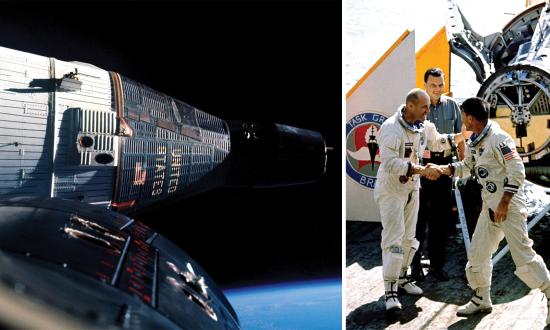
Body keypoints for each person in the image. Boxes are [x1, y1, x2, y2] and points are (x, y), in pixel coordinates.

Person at [432, 97, 550, 323]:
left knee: (524, 257)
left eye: (462, 116)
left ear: (469, 117)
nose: (461, 120)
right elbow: (467, 167)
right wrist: (443, 170)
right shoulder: (475, 140)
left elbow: (517, 171)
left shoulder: (499, 139)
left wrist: (504, 202)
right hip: (490, 207)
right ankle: (481, 298)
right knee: (477, 253)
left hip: (509, 207)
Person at [374, 88, 463, 311]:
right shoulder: (391, 129)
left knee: (410, 238)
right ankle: (390, 291)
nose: (428, 110)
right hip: (392, 191)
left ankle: (402, 278)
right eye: (424, 107)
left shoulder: (423, 126)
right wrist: (422, 170)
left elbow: (437, 142)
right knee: (393, 239)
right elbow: (390, 164)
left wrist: (462, 136)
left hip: (412, 190)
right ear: (411, 106)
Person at [411, 67, 464, 282]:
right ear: (425, 85)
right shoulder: (416, 107)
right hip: (421, 167)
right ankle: (414, 267)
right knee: (417, 219)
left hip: (444, 167)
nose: (437, 89)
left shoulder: (452, 107)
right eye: (433, 85)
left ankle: (436, 266)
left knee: (440, 221)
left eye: (440, 85)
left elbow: (460, 139)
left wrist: (462, 166)